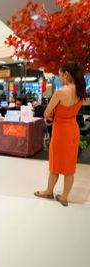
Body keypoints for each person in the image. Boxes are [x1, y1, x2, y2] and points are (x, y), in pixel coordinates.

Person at [34, 62, 86, 206]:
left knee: (55, 162)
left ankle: (49, 191)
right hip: (73, 129)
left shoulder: (61, 92)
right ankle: (64, 197)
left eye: (59, 75)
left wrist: (50, 116)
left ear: (66, 74)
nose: (59, 78)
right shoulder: (81, 92)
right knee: (70, 166)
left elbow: (46, 113)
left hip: (61, 130)